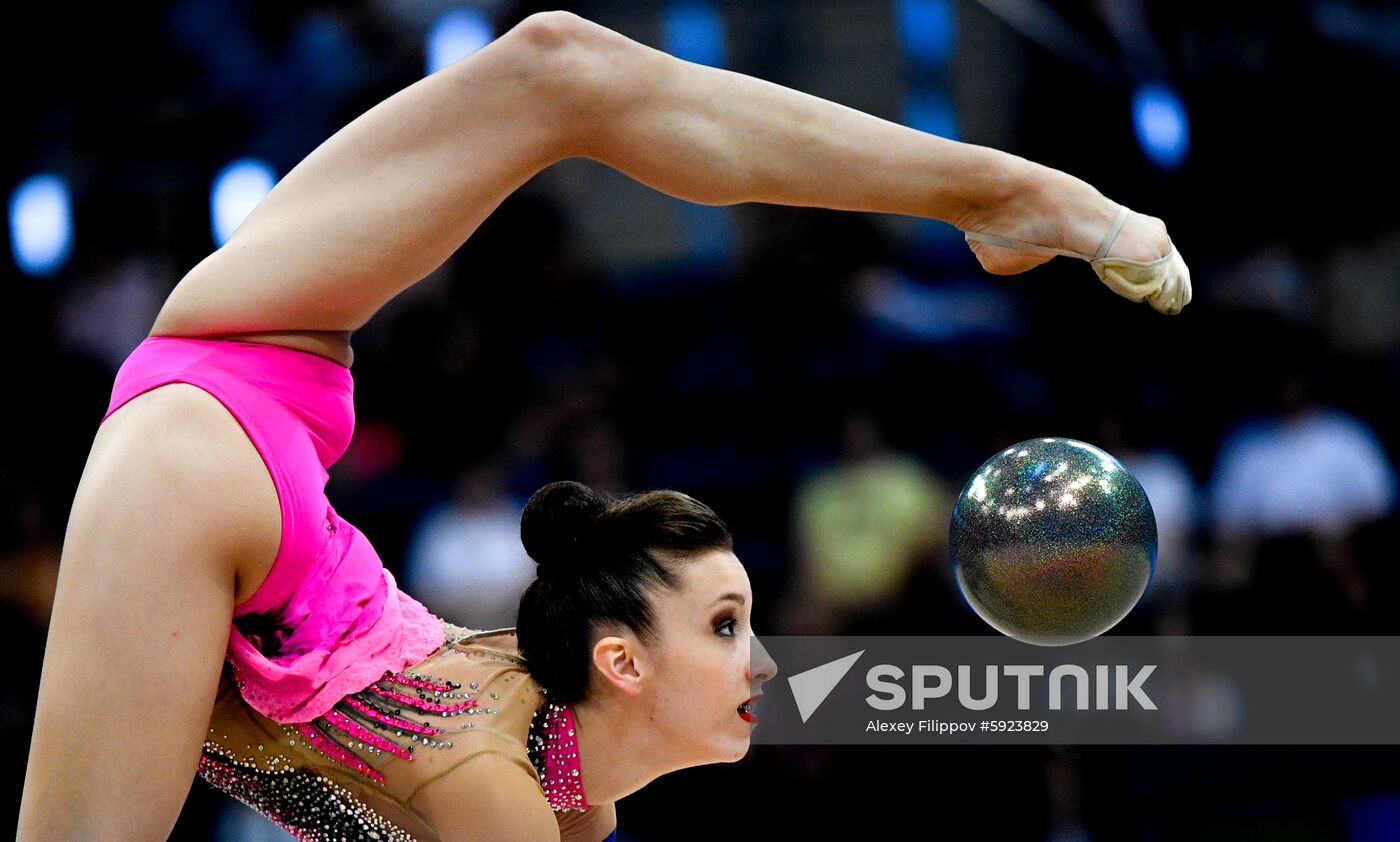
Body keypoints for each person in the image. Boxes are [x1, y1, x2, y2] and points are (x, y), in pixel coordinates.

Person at [18, 10, 1190, 841]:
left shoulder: (547, 803)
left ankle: (1002, 191)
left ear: (621, 662)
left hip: (230, 453)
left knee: (557, 67)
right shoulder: (525, 799)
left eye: (732, 621)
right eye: (733, 623)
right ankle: (1001, 190)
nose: (768, 660)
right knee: (558, 61)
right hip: (252, 421)